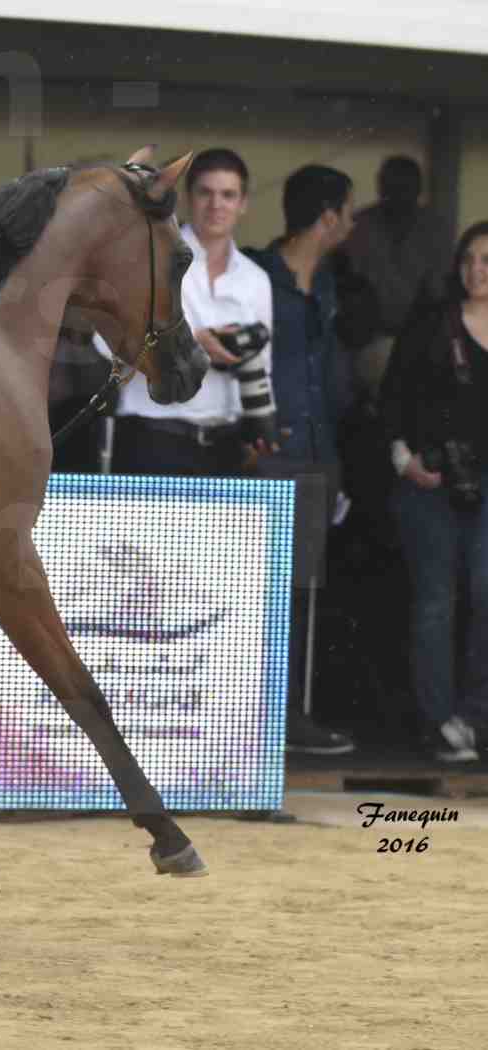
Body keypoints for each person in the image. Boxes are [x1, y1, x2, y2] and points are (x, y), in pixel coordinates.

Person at [245, 165, 360, 756]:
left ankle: (290, 718)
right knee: (254, 591)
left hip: (318, 454)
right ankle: (248, 716)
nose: (350, 222)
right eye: (347, 211)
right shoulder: (257, 276)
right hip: (268, 453)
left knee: (300, 594)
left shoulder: (331, 284)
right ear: (327, 218)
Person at [380, 221, 488, 762]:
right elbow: (392, 397)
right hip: (431, 483)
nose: (476, 271)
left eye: (487, 260)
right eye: (469, 259)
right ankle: (439, 721)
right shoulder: (432, 325)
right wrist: (407, 461)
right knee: (436, 601)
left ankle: (474, 717)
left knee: (487, 591)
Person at [107, 148, 277, 478]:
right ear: (187, 198)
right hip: (152, 436)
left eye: (228, 195)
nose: (217, 205)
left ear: (243, 204)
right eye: (206, 193)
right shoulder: (149, 259)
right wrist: (188, 345)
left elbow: (263, 365)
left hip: (224, 443)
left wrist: (259, 430)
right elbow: (107, 345)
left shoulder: (256, 279)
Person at [339, 155, 454, 396]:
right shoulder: (359, 226)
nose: (398, 194)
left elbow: (441, 291)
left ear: (418, 189)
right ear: (380, 187)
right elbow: (347, 286)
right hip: (366, 343)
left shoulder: (435, 229)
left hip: (419, 343)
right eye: (391, 186)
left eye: (405, 187)